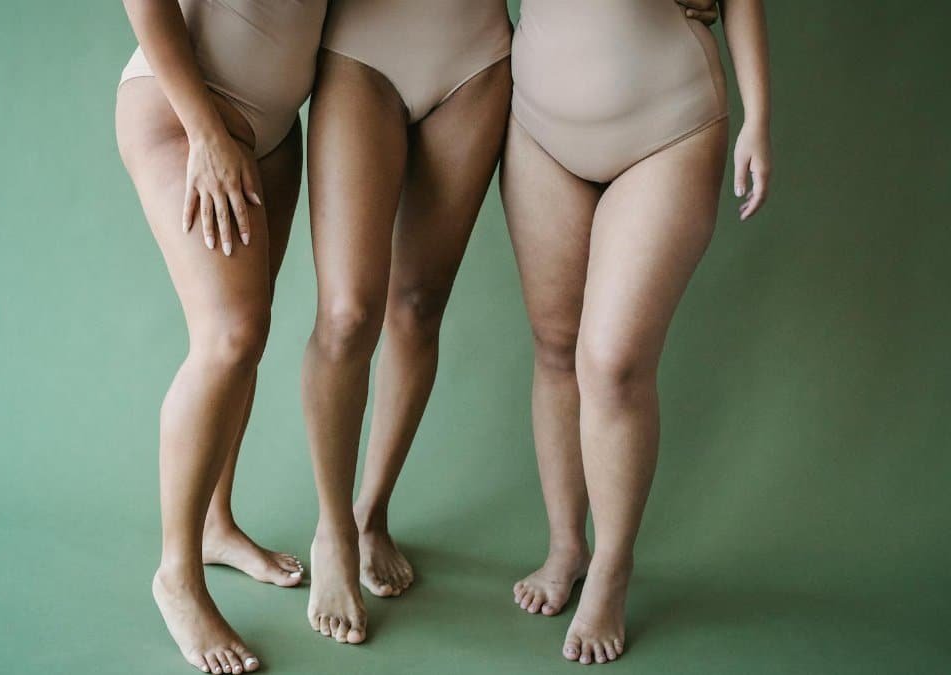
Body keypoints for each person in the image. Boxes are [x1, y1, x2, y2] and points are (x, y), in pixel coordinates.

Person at [299, 0, 722, 647]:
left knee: (419, 303)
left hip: (478, 59)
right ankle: (335, 529)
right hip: (366, 49)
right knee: (350, 313)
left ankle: (371, 511)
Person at [500, 0, 771, 665]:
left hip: (667, 122)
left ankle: (614, 567)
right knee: (555, 345)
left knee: (614, 362)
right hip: (539, 125)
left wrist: (759, 118)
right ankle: (568, 543)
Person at [114, 1, 327, 671]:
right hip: (189, 111)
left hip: (274, 127)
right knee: (227, 337)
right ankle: (176, 573)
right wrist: (204, 130)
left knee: (248, 336)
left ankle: (215, 525)